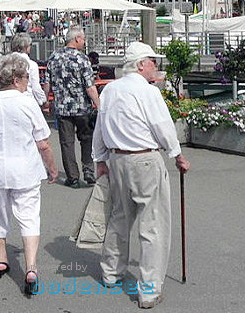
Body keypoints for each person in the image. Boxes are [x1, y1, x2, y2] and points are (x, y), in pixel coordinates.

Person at [93, 42, 190, 309]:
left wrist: (100, 158)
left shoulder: (110, 89)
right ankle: (148, 290)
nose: (155, 66)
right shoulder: (147, 91)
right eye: (152, 61)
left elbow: (100, 125)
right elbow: (162, 126)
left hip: (117, 158)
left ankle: (111, 272)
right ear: (140, 64)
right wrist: (177, 155)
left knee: (119, 217)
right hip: (144, 158)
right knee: (153, 225)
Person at [0, 54, 58, 295]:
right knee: (28, 215)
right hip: (25, 167)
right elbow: (43, 142)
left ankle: (1, 258)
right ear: (17, 79)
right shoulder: (26, 102)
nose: (29, 81)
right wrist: (51, 167)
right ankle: (30, 267)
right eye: (27, 77)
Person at [46, 26, 100, 188]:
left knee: (67, 142)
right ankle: (88, 169)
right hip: (82, 107)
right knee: (86, 138)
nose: (84, 42)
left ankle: (73, 176)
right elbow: (90, 86)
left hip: (62, 107)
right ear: (76, 39)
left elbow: (47, 83)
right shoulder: (82, 59)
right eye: (83, 39)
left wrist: (46, 101)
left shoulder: (54, 57)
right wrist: (98, 104)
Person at [10, 33, 47, 107]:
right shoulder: (31, 65)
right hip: (27, 102)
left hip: (8, 102)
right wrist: (43, 101)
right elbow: (36, 88)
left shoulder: (3, 62)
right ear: (26, 47)